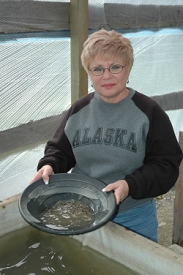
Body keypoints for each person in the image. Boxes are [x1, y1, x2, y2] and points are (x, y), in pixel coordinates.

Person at [30, 29, 182, 242]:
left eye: (115, 67)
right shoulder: (79, 110)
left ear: (128, 68)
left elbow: (166, 165)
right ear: (89, 72)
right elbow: (60, 150)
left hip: (133, 216)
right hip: (83, 211)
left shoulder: (149, 112)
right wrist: (50, 165)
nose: (107, 75)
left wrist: (130, 185)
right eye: (98, 69)